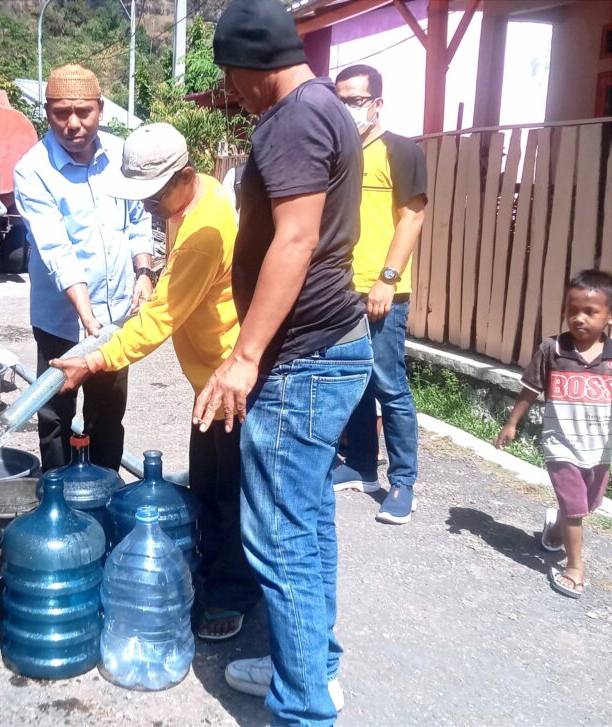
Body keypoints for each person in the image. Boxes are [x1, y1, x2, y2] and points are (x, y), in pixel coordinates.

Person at [193, 0, 371, 721]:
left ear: (247, 64)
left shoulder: (291, 118)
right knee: (309, 521)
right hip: (336, 345)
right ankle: (311, 665)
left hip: (303, 358)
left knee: (278, 535)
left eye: (230, 79)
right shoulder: (328, 105)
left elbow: (295, 241)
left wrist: (244, 355)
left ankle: (303, 708)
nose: (231, 94)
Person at [51, 122, 261, 641]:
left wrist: (94, 361)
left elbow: (161, 319)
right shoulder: (197, 197)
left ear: (183, 175)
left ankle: (232, 593)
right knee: (208, 487)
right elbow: (173, 294)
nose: (146, 206)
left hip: (229, 382)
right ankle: (210, 574)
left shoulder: (203, 230)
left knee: (229, 495)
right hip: (208, 383)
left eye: (153, 194)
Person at [13, 64, 154, 472]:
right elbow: (56, 247)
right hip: (62, 321)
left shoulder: (120, 157)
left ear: (101, 109)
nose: (72, 124)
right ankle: (57, 502)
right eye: (61, 113)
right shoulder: (33, 169)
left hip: (116, 317)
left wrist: (143, 271)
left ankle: (105, 489)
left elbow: (137, 220)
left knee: (108, 413)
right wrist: (86, 313)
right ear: (47, 112)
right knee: (55, 414)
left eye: (83, 112)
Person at [332, 64, 427, 525]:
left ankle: (403, 482)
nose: (348, 108)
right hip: (340, 289)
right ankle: (361, 467)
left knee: (389, 384)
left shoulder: (402, 151)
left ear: (376, 103)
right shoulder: (338, 151)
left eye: (355, 100)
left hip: (383, 289)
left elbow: (411, 218)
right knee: (353, 381)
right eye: (341, 99)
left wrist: (387, 278)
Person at [495, 270, 612, 599]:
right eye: (572, 309)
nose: (579, 318)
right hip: (560, 443)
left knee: (588, 504)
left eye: (590, 312)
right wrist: (512, 423)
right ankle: (575, 567)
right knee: (575, 507)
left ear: (609, 316)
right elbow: (530, 388)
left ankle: (555, 527)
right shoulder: (553, 349)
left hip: (600, 449)